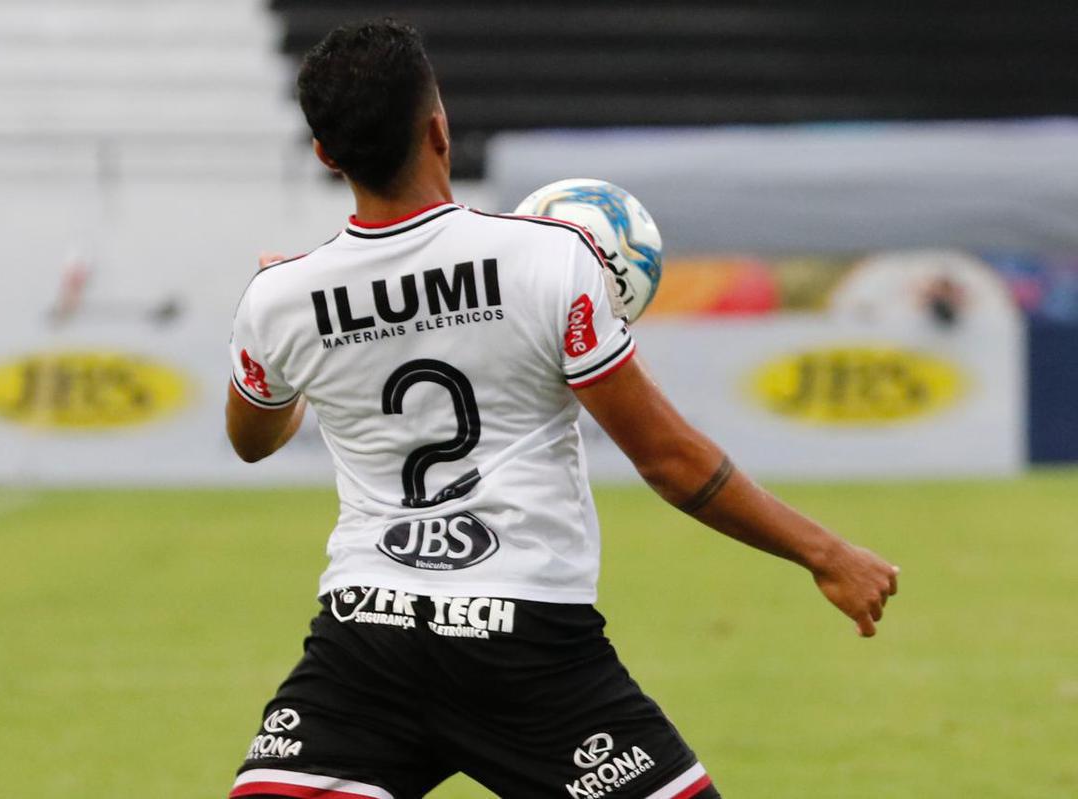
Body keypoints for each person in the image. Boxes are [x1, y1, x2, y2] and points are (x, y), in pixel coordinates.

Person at [225, 19, 899, 799]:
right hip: (523, 640)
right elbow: (669, 459)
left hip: (366, 634)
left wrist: (289, 333)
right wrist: (826, 552)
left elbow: (254, 437)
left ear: (325, 155)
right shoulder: (549, 256)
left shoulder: (279, 299)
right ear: (439, 129)